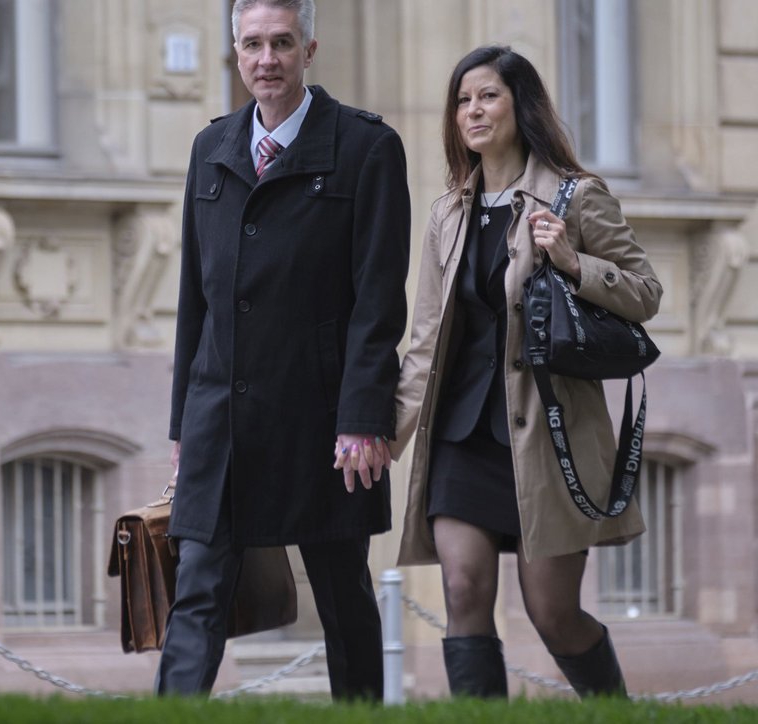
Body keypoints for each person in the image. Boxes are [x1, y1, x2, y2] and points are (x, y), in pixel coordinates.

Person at [390, 44, 662, 699]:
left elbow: (646, 292)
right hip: (461, 433)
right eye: (463, 99)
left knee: (552, 614)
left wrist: (572, 261)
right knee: (462, 589)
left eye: (488, 96)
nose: (473, 110)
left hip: (547, 435)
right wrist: (384, 435)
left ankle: (613, 712)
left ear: (520, 105)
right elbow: (425, 340)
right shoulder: (446, 214)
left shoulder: (575, 195)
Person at [157, 0, 411, 701]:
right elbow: (193, 300)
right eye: (251, 44)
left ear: (310, 48)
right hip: (221, 418)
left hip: (324, 419)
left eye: (281, 43)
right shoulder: (210, 149)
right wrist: (184, 426)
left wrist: (364, 415)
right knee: (197, 592)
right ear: (234, 52)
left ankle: (361, 714)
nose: (265, 59)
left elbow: (379, 299)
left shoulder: (366, 149)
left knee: (341, 594)